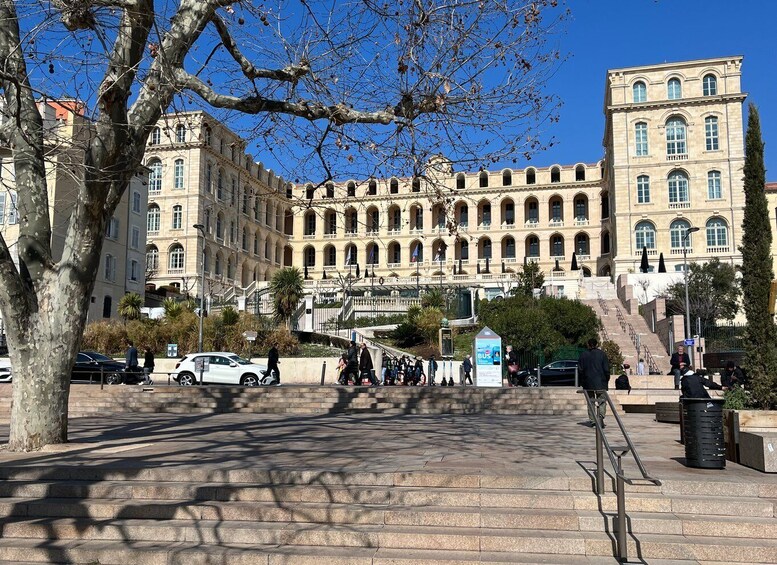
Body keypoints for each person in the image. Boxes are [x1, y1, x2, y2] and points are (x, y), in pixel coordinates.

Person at [578, 337, 610, 428]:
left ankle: (593, 420)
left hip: (587, 382)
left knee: (590, 402)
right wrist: (606, 379)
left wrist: (582, 381)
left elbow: (580, 370)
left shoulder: (583, 355)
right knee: (602, 400)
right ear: (596, 344)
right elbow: (606, 369)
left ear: (588, 344)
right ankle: (600, 417)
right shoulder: (602, 354)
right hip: (600, 382)